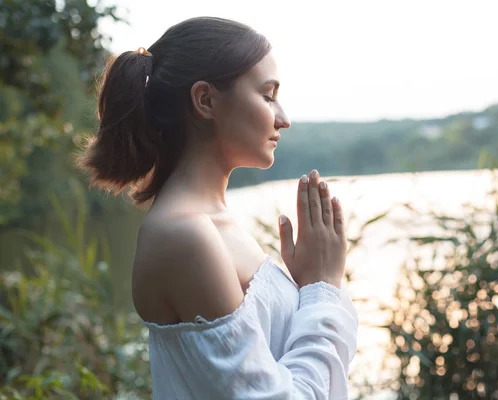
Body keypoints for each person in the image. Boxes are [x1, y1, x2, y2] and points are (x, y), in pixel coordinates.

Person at [78, 16, 358, 399]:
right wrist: (321, 288)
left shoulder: (213, 223)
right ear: (205, 100)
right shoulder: (183, 234)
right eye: (268, 95)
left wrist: (308, 284)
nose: (284, 118)